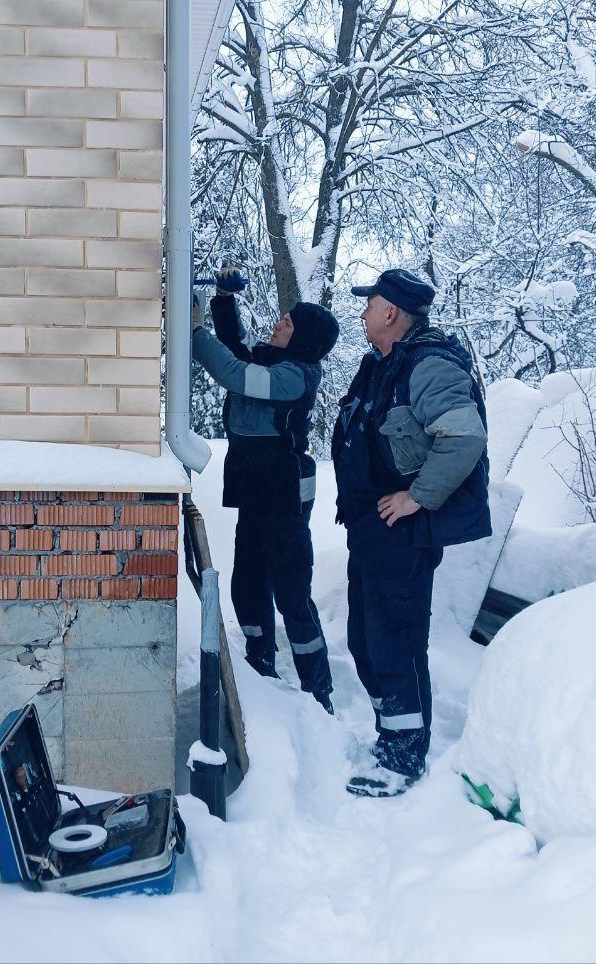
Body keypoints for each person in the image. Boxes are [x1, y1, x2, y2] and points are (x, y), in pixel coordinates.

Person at [332, 268, 491, 797]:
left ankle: (404, 757)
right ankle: (389, 735)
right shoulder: (384, 366)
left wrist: (415, 497)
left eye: (370, 304)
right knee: (365, 639)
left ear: (392, 312)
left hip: (402, 532)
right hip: (371, 530)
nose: (362, 313)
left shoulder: (428, 367)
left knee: (395, 641)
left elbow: (464, 440)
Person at [191, 267, 340, 713]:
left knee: (291, 593)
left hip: (285, 498)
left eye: (289, 323)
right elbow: (236, 348)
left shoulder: (295, 376)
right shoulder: (272, 361)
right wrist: (221, 300)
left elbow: (233, 372)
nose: (279, 323)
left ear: (304, 339)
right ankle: (260, 663)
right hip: (256, 494)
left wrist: (193, 332)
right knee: (248, 585)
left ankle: (319, 688)